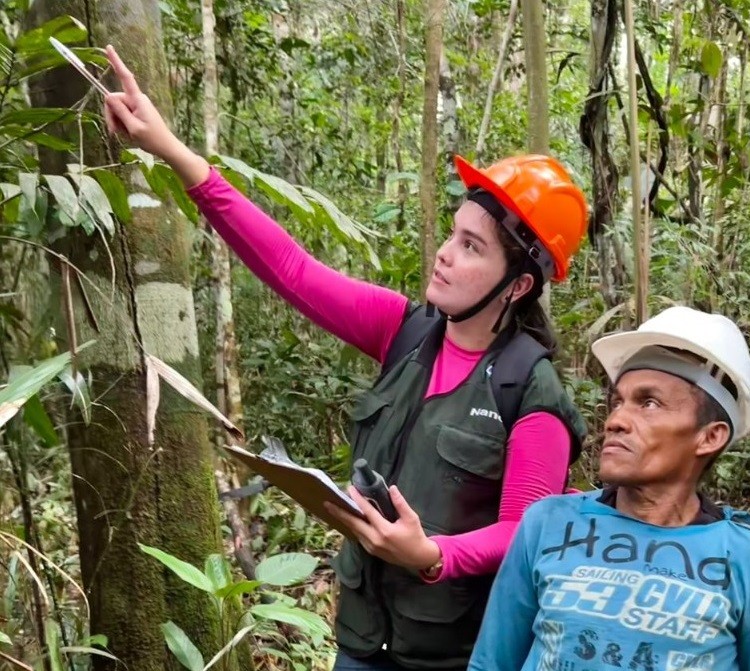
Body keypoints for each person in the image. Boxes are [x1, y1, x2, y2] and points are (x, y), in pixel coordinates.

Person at [102, 46, 589, 671]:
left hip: (457, 656)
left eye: (471, 247)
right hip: (362, 642)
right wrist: (173, 149)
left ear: (517, 285)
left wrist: (432, 555)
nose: (444, 253)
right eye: (451, 233)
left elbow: (527, 535)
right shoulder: (405, 332)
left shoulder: (529, 389)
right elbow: (291, 269)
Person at [468, 306, 750, 671]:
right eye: (618, 402)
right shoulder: (548, 524)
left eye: (649, 403)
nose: (615, 421)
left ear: (709, 437)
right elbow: (491, 663)